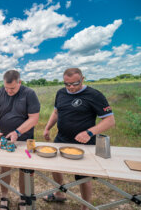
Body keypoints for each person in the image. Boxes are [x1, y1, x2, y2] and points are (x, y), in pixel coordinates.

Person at [43, 68, 115, 210]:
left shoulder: (94, 95)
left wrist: (89, 132)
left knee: (83, 177)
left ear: (82, 79)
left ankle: (85, 206)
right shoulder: (61, 93)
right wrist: (47, 128)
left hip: (85, 143)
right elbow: (56, 112)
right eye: (67, 84)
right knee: (55, 167)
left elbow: (110, 120)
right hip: (61, 138)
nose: (70, 87)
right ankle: (59, 193)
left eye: (75, 84)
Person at [0, 70, 40, 210]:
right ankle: (4, 197)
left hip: (27, 142)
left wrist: (18, 132)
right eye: (6, 87)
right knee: (4, 168)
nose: (9, 91)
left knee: (26, 170)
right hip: (5, 140)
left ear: (20, 82)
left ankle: (24, 197)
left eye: (12, 88)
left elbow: (34, 118)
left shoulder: (29, 94)